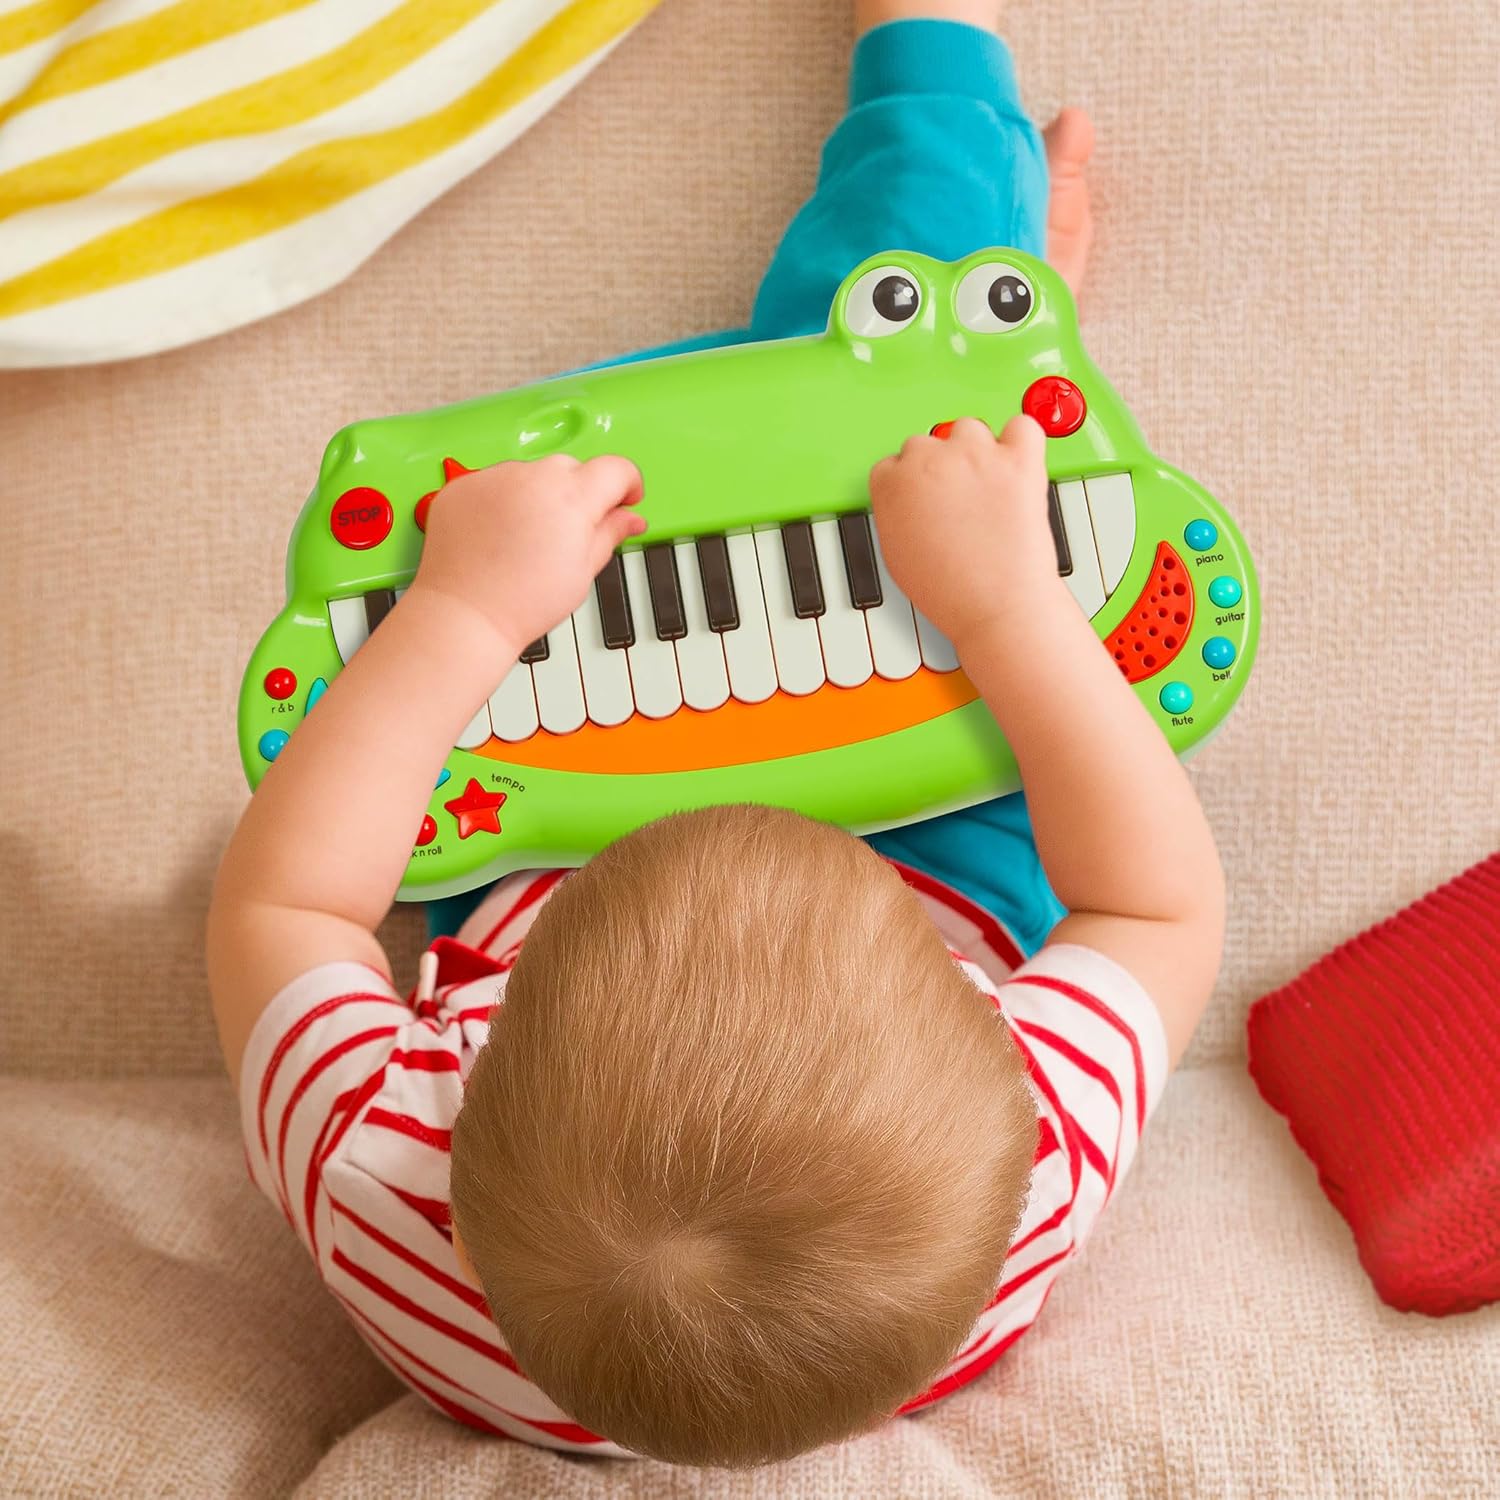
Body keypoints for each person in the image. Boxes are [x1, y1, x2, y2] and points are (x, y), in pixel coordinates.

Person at [207, 0, 1223, 1466]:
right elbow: (1152, 901)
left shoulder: (378, 1172)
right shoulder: (1027, 1173)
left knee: (697, 458)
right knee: (901, 415)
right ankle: (963, 209)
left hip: (574, 817)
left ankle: (979, 297)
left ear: (458, 1135)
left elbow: (288, 899)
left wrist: (464, 614)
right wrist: (1008, 608)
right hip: (949, 866)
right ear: (990, 1063)